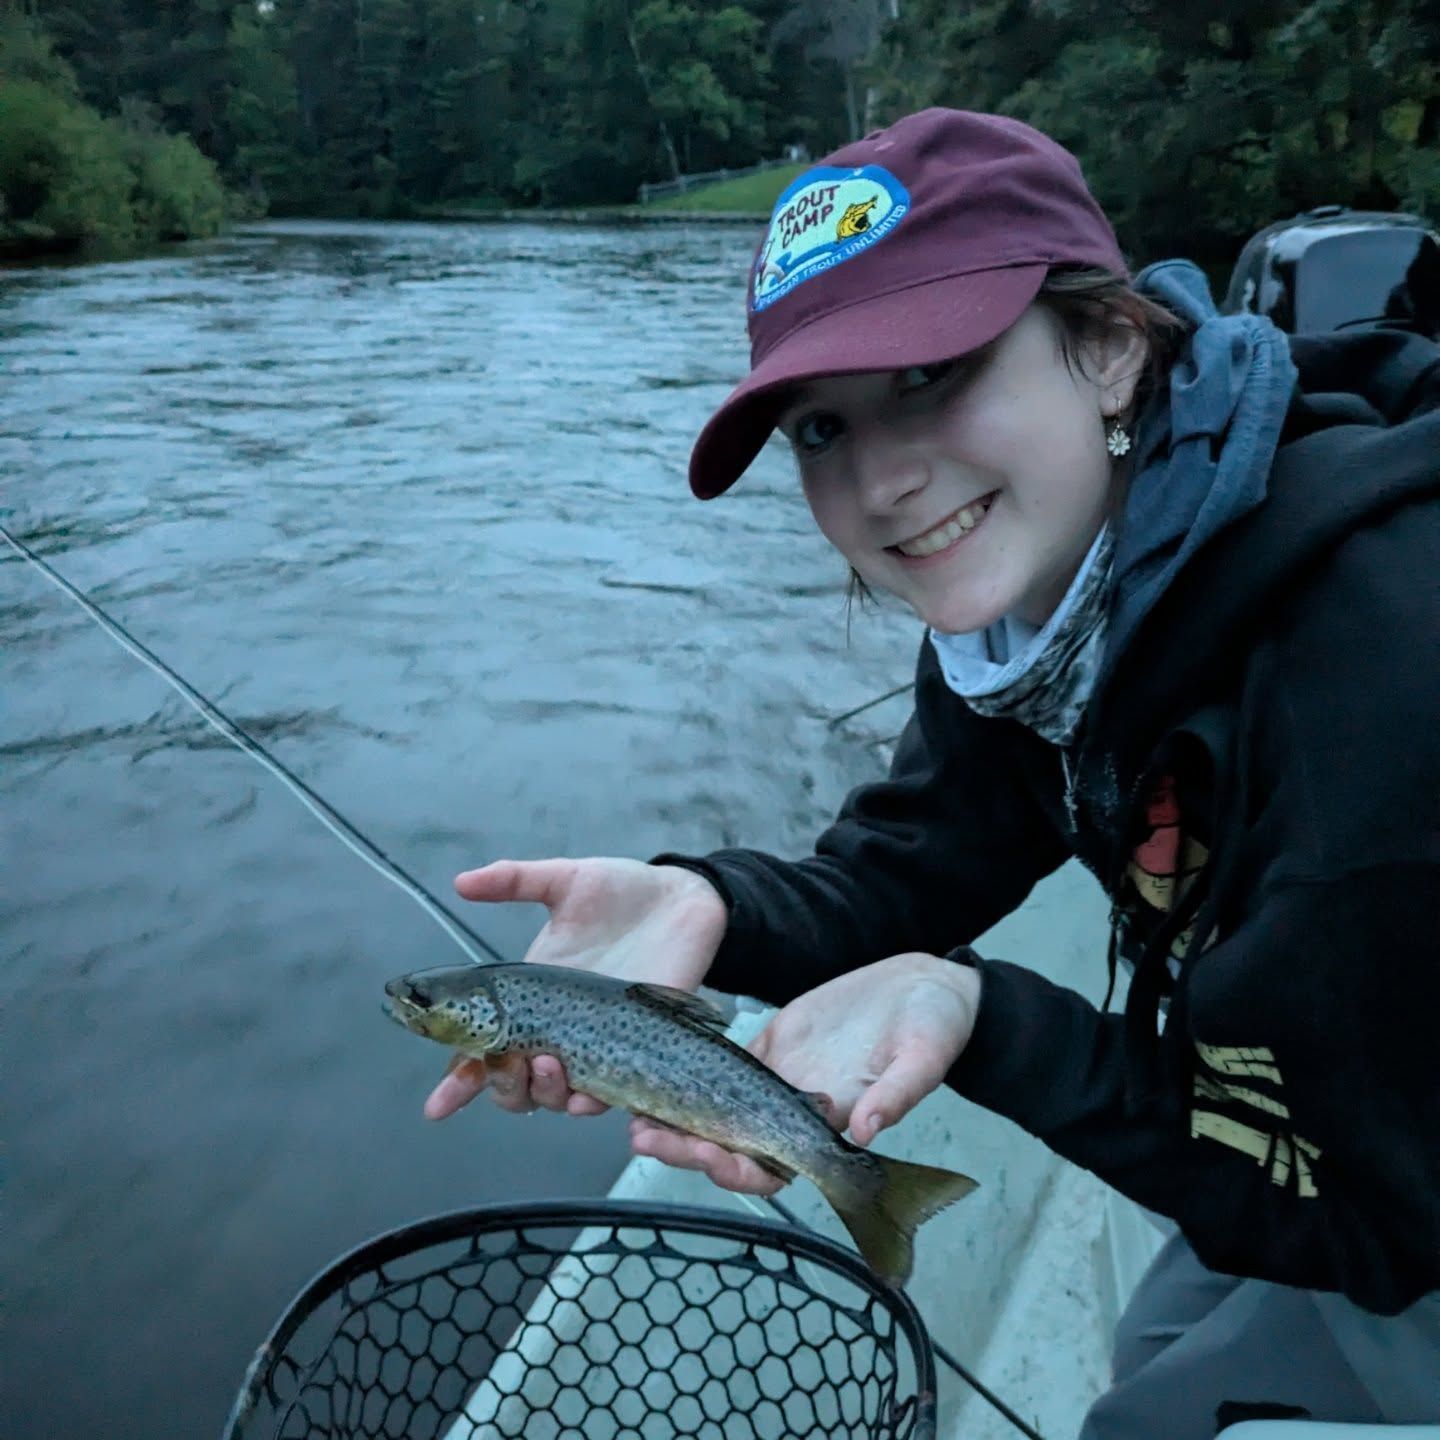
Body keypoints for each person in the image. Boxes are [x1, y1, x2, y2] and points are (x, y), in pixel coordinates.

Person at [423, 110, 1440, 1436]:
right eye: (821, 431)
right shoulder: (1047, 614)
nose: (886, 482)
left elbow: (1382, 1223)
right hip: (1349, 1095)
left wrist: (986, 1014)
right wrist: (712, 908)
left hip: (1394, 1193)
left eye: (932, 374)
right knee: (1154, 1344)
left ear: (1111, 349)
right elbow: (912, 863)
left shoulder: (1374, 678)